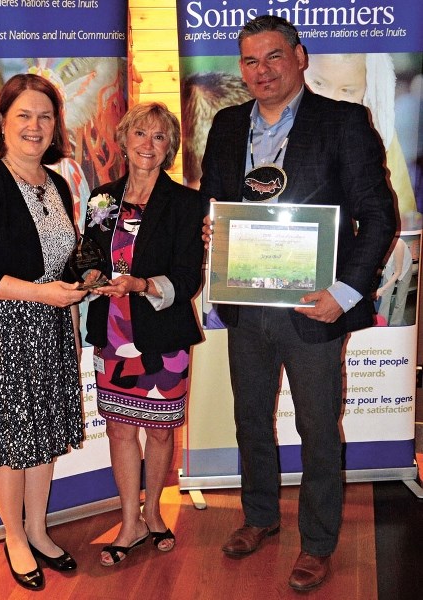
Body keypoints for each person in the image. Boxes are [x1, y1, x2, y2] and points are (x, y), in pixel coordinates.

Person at [200, 16, 396, 591]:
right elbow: (214, 201)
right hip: (246, 304)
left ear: (299, 56)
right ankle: (259, 516)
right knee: (250, 420)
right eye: (250, 61)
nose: (262, 71)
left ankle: (316, 542)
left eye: (273, 57)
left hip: (315, 307)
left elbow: (379, 215)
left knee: (316, 427)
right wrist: (212, 229)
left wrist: (345, 293)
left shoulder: (342, 122)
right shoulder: (228, 124)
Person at [0, 74, 92, 591]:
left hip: (49, 326)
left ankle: (38, 527)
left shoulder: (55, 184)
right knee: (10, 442)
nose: (35, 126)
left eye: (45, 116)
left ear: (56, 125)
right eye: (24, 116)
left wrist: (84, 278)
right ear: (3, 124)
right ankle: (14, 535)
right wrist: (44, 294)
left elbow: (59, 257)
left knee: (43, 436)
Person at [83, 102, 204, 566]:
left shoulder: (187, 203)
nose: (148, 144)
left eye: (158, 137)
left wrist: (141, 284)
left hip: (162, 336)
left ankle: (153, 513)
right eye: (139, 134)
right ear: (124, 141)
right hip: (111, 333)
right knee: (118, 430)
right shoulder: (101, 200)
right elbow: (87, 254)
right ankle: (128, 521)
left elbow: (188, 276)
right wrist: (92, 275)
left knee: (158, 431)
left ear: (169, 146)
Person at [304, 52, 418, 229]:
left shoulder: (382, 138)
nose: (331, 99)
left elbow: (399, 217)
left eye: (347, 91)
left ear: (367, 92)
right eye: (318, 84)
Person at [376, 237, 413, 326]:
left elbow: (398, 272)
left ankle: (395, 324)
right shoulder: (379, 243)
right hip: (390, 266)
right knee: (385, 296)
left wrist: (382, 288)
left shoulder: (398, 244)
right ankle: (382, 323)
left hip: (404, 268)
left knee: (400, 299)